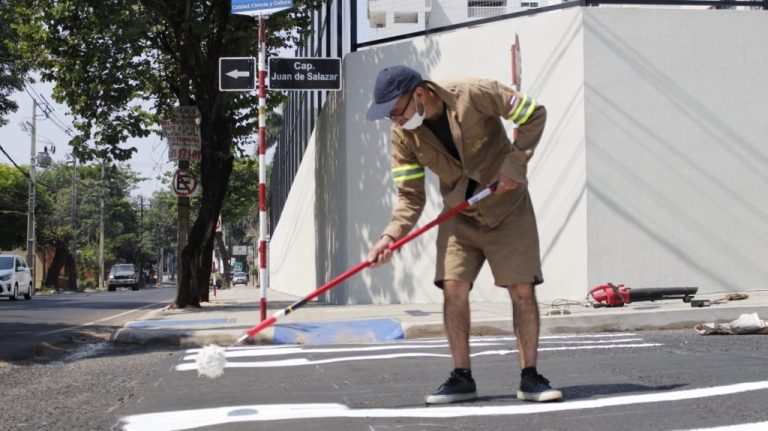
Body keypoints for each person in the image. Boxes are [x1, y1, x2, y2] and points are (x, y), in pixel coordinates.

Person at [365, 65, 562, 405]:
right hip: (460, 214)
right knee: (453, 287)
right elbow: (410, 195)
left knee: (522, 289)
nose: (395, 121)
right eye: (389, 116)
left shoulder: (474, 93)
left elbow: (534, 114)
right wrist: (389, 237)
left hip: (508, 207)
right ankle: (461, 378)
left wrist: (514, 165)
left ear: (419, 94)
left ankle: (530, 377)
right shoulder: (402, 136)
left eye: (396, 111)